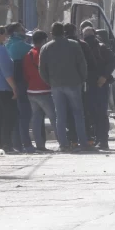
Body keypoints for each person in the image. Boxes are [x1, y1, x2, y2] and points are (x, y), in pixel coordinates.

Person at [39, 22, 92, 152]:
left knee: (60, 115)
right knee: (78, 113)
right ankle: (83, 142)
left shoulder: (46, 48)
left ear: (52, 34)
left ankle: (63, 144)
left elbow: (42, 70)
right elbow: (82, 64)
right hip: (74, 83)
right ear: (63, 32)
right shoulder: (74, 45)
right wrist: (82, 79)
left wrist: (50, 81)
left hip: (56, 85)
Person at [83, 27, 115, 150]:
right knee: (93, 113)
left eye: (89, 35)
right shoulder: (83, 47)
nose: (88, 37)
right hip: (89, 85)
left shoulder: (101, 47)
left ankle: (103, 140)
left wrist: (104, 76)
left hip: (100, 84)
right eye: (86, 35)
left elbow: (113, 60)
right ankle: (97, 139)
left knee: (101, 113)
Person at [23, 30, 58, 152]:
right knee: (54, 117)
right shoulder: (43, 53)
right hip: (44, 90)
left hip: (31, 91)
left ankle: (40, 145)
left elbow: (26, 74)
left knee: (36, 120)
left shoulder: (28, 54)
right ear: (43, 41)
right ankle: (63, 142)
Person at [64, 22, 97, 146]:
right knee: (83, 111)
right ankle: (88, 138)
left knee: (68, 113)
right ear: (75, 31)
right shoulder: (82, 44)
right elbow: (91, 64)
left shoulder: (56, 46)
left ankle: (72, 140)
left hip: (61, 84)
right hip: (81, 84)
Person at [5, 22, 35, 153]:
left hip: (9, 85)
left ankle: (16, 143)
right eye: (22, 30)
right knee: (25, 115)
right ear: (17, 32)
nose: (25, 32)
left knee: (15, 115)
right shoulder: (23, 47)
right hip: (22, 84)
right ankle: (27, 143)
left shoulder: (7, 45)